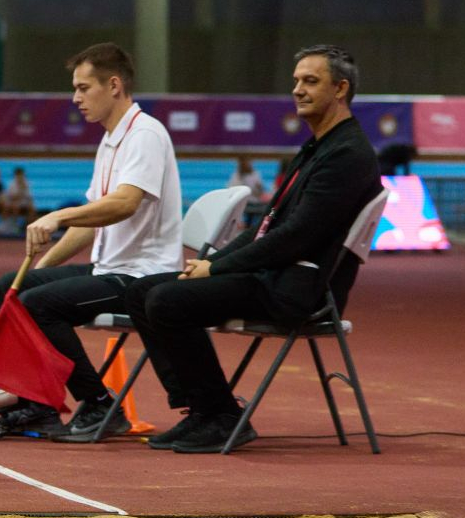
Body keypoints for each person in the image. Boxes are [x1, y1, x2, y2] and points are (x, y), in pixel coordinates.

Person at [124, 46, 382, 454]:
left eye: (310, 81)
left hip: (297, 289)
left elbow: (294, 237)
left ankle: (222, 417)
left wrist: (218, 270)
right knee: (140, 293)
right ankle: (203, 412)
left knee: (166, 301)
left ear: (341, 89)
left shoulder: (348, 154)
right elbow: (269, 225)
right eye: (296, 81)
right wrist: (212, 263)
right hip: (274, 274)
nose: (297, 90)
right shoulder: (318, 146)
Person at [0, 43, 183, 442]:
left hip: (142, 275)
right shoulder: (110, 140)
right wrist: (44, 266)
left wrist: (57, 216)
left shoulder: (145, 134)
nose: (75, 98)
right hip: (110, 268)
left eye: (82, 87)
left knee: (39, 306)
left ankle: (98, 404)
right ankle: (38, 404)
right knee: (13, 288)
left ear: (113, 85)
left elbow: (123, 204)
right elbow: (92, 222)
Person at [228, 155, 270, 227]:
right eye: (246, 163)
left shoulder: (255, 174)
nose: (248, 165)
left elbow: (261, 189)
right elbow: (233, 190)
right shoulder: (237, 176)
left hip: (255, 201)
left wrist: (259, 189)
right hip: (244, 201)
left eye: (249, 163)